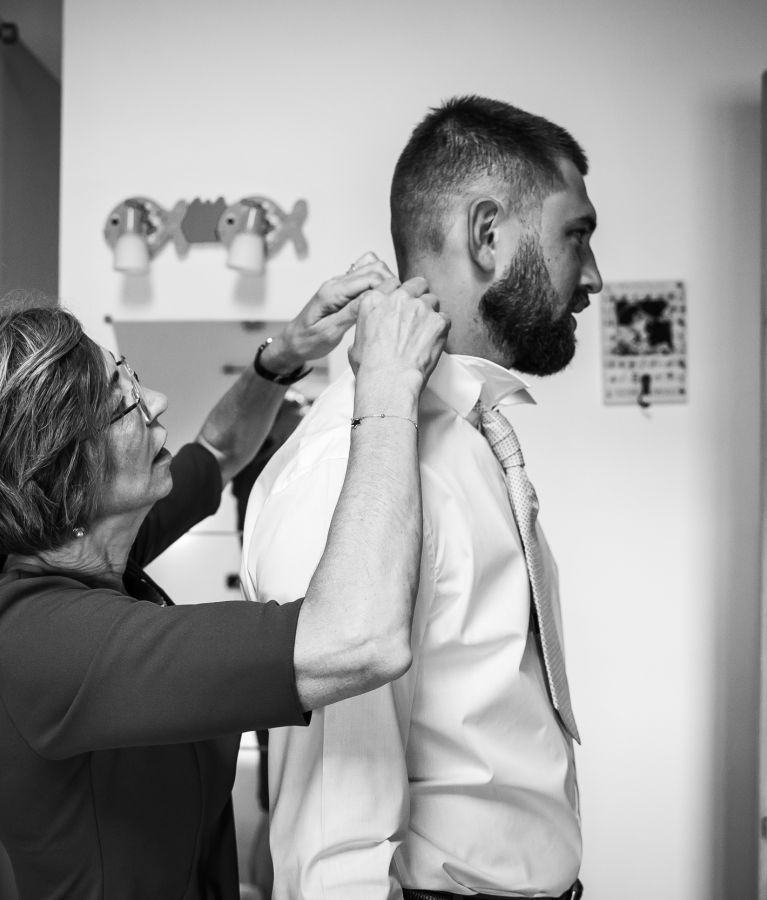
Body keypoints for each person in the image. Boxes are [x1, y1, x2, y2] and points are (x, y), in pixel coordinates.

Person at [0, 254, 449, 900]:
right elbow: (360, 636)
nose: (155, 402)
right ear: (62, 480)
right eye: (123, 405)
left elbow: (218, 451)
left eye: (128, 376)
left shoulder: (85, 545)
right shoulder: (43, 643)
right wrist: (387, 390)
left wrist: (282, 356)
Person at [240, 95, 602, 899]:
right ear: (487, 234)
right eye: (576, 234)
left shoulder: (467, 435)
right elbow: (331, 840)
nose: (594, 277)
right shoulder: (354, 469)